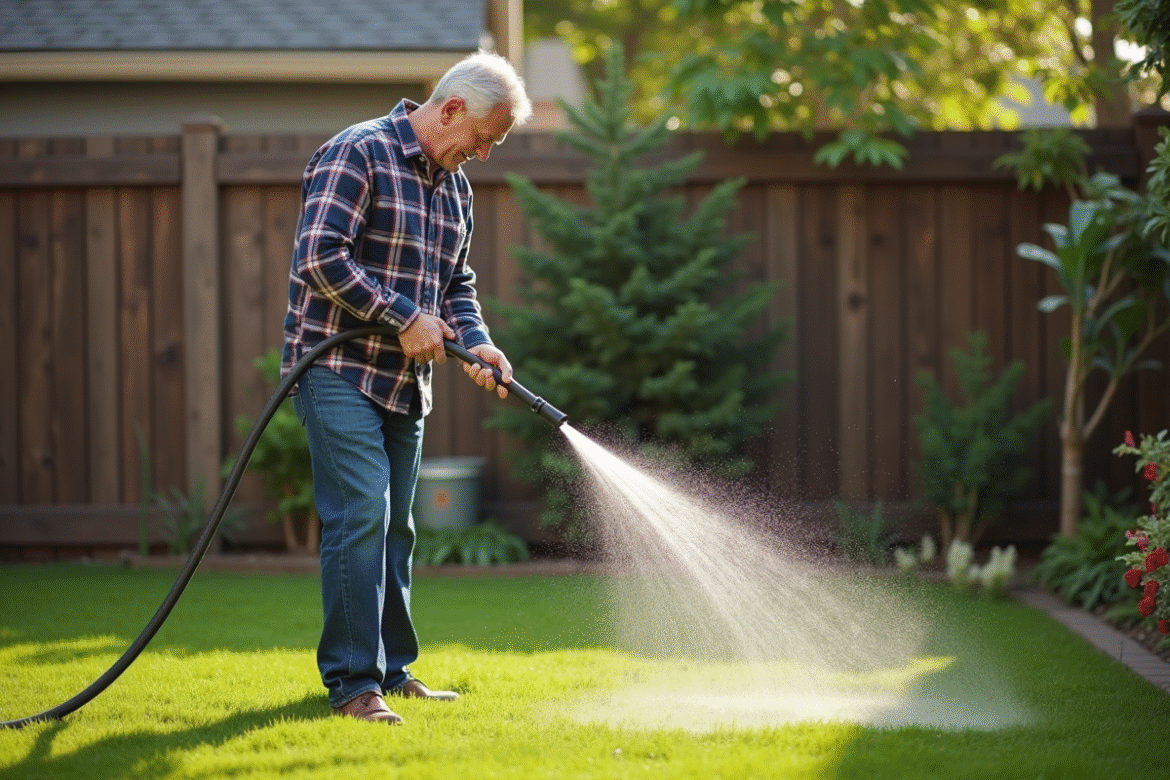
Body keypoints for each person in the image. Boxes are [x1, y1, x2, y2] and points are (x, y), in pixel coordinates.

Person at [282, 51, 532, 725]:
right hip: (335, 370)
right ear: (451, 108)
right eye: (483, 138)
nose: (483, 153)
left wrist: (474, 339)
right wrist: (402, 316)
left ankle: (394, 672)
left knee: (398, 530)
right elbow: (318, 256)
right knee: (362, 512)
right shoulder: (358, 153)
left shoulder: (455, 188)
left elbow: (456, 284)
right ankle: (353, 686)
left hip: (405, 381)